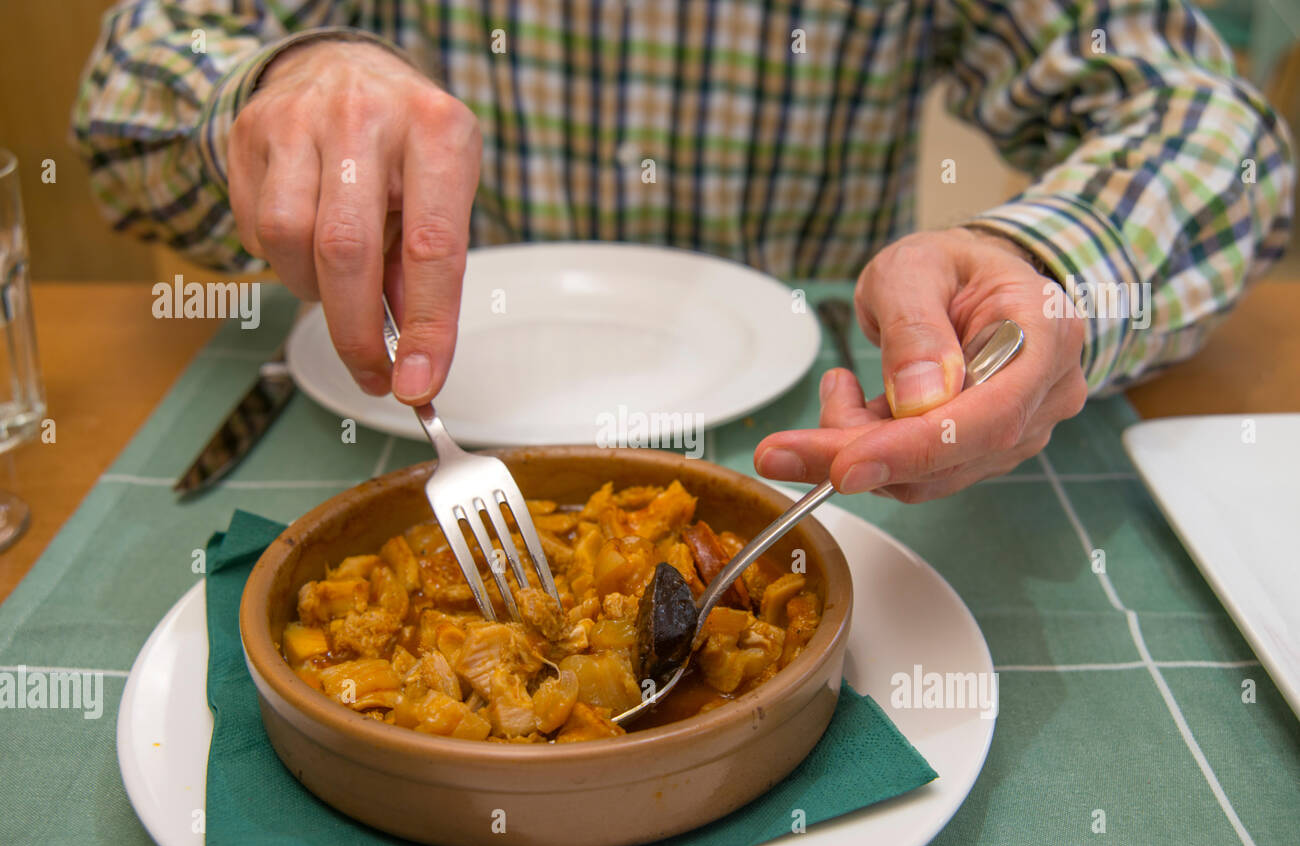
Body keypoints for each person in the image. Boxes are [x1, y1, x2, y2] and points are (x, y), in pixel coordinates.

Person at [72, 1, 1293, 502]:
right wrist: (277, 84)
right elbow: (127, 91)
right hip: (382, 431)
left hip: (817, 438)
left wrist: (1038, 252)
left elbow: (1206, 120)